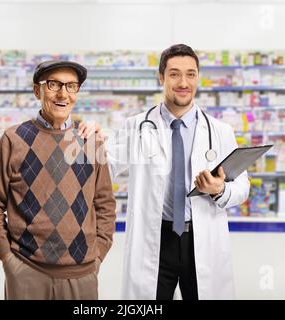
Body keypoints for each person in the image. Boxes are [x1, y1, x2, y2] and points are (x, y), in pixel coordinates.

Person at [78, 44, 250, 300]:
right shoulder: (136, 126)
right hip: (155, 241)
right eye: (174, 74)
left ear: (198, 77)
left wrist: (220, 189)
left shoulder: (220, 131)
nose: (183, 82)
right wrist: (89, 141)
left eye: (191, 74)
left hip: (201, 240)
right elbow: (102, 172)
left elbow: (242, 188)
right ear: (161, 77)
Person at [0, 60, 116, 300]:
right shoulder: (14, 139)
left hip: (82, 273)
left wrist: (98, 255)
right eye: (53, 84)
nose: (63, 93)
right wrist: (7, 257)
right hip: (27, 272)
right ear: (37, 90)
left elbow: (104, 203)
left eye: (71, 86)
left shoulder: (90, 141)